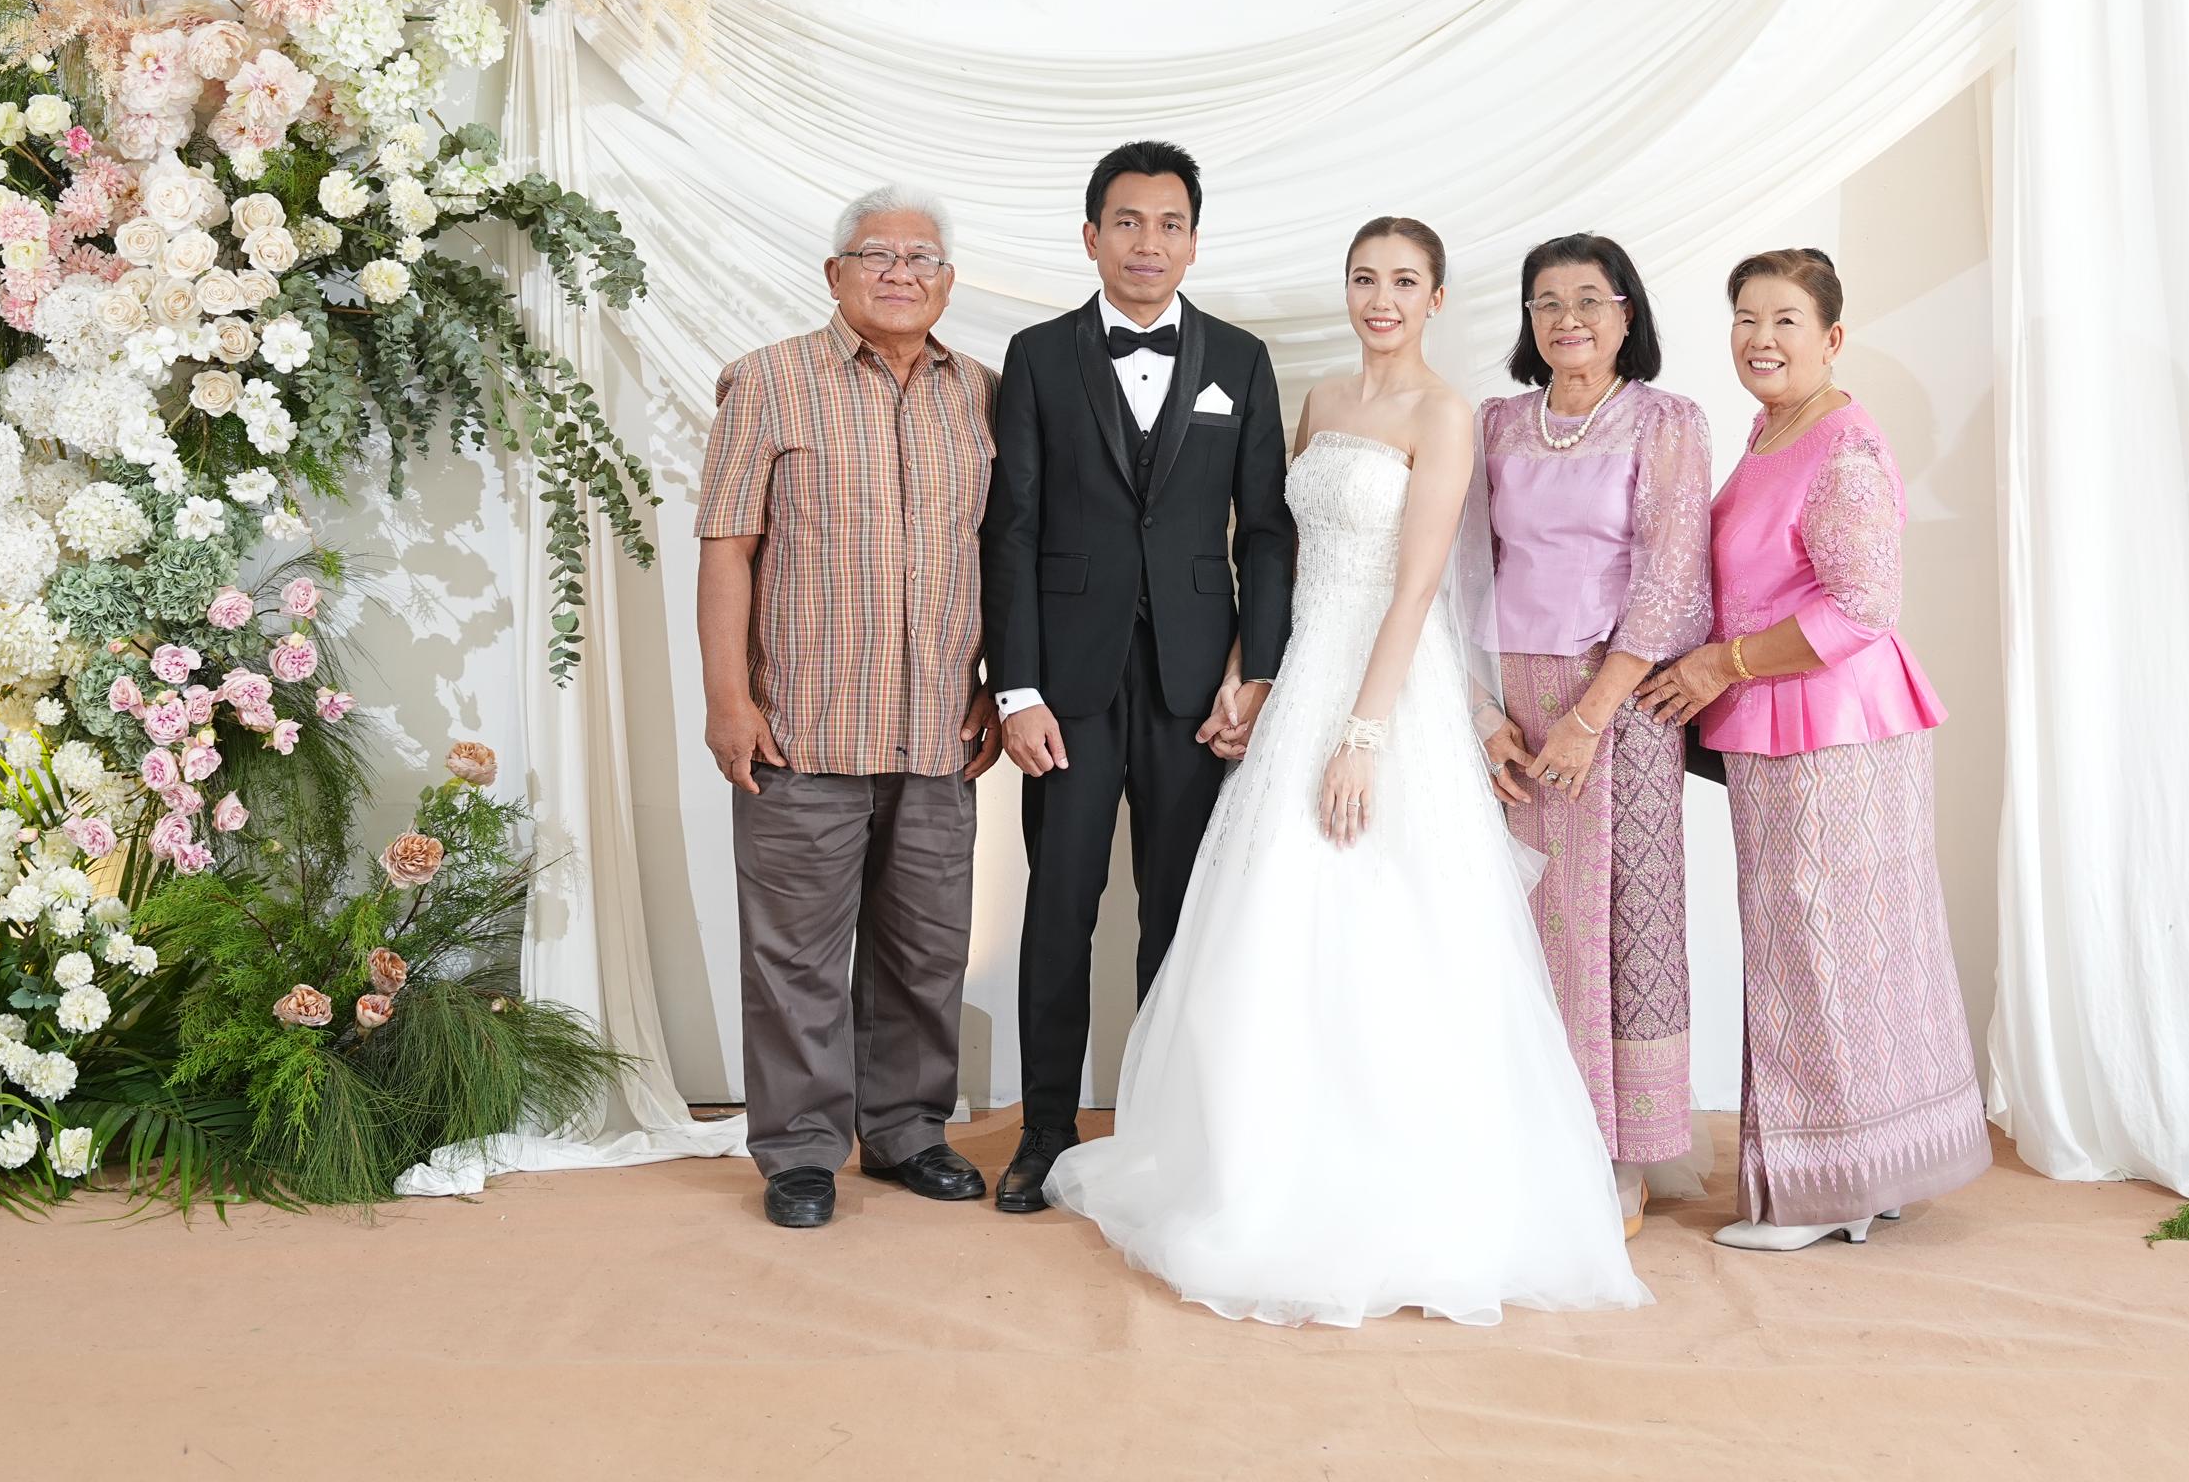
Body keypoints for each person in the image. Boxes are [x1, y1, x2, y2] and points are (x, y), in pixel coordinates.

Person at [1046, 219, 1648, 1325]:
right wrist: (1251, 671)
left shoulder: (1444, 413)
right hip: (1305, 669)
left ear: (1436, 298)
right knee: (1269, 912)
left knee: (1383, 906)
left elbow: (1416, 587)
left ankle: (1391, 1175)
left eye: (1405, 281)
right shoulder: (1321, 399)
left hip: (1387, 682)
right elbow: (1276, 552)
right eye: (1365, 278)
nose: (1382, 298)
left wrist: (1365, 736)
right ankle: (1257, 1164)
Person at [1636, 248, 1988, 1252]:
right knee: (1840, 943)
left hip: (1828, 728)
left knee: (1818, 944)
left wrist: (1723, 662)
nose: (1761, 338)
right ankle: (1869, 1170)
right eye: (1746, 317)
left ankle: (1823, 1189)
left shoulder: (1842, 447)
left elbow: (1865, 607)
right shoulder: (1773, 427)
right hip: (1801, 723)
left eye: (1785, 320)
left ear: (1831, 337)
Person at [981, 141, 1295, 1214]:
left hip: (1198, 687)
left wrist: (1258, 673)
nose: (1147, 242)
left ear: (1194, 242)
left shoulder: (1242, 360)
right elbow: (1011, 531)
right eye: (1127, 221)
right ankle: (1045, 1131)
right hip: (1066, 687)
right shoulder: (1036, 356)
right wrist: (1016, 688)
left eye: (1169, 224)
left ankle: (1163, 1134)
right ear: (1091, 236)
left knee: (1179, 916)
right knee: (1058, 910)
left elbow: (1267, 532)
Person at [694, 187, 1005, 1230]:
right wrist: (728, 699)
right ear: (836, 273)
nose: (901, 273)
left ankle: (910, 1131)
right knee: (795, 957)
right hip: (801, 724)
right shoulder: (768, 380)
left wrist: (1001, 684)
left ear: (949, 281)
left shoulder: (984, 394)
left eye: (923, 257)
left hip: (939, 727)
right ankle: (799, 1151)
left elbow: (1006, 553)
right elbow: (728, 546)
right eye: (878, 254)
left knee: (927, 950)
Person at [1474, 232, 1712, 1235]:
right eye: (1547, 301)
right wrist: (1481, 712)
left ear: (1626, 313)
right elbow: (1459, 571)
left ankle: (1622, 1153)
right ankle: (1531, 1133)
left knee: (1626, 913)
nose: (1567, 318)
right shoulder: (1495, 423)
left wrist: (1587, 717)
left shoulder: (1666, 420)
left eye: (1588, 299)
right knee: (1522, 914)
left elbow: (1671, 573)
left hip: (1622, 697)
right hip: (1510, 699)